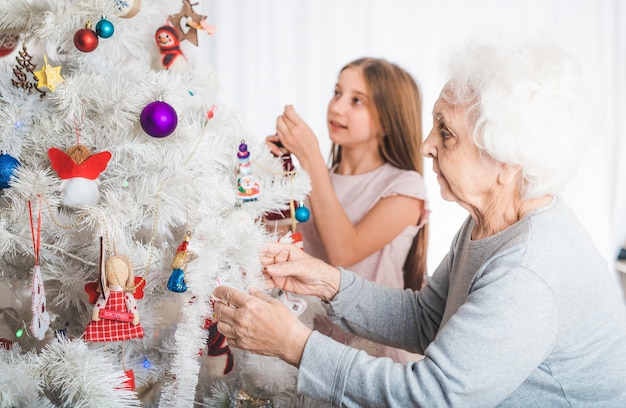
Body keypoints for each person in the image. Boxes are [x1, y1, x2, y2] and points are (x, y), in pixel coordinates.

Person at [214, 37, 626, 407]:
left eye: (446, 133)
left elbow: (432, 397)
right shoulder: (491, 222)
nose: (426, 145)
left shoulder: (528, 270)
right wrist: (330, 282)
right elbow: (429, 318)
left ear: (506, 161)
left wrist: (296, 345)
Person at [265, 58, 428, 363]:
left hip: (367, 355)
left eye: (357, 101)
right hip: (301, 342)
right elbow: (277, 241)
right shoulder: (313, 179)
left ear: (389, 119)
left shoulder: (406, 187)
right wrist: (268, 173)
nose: (337, 107)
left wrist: (311, 158)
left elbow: (343, 251)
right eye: (337, 93)